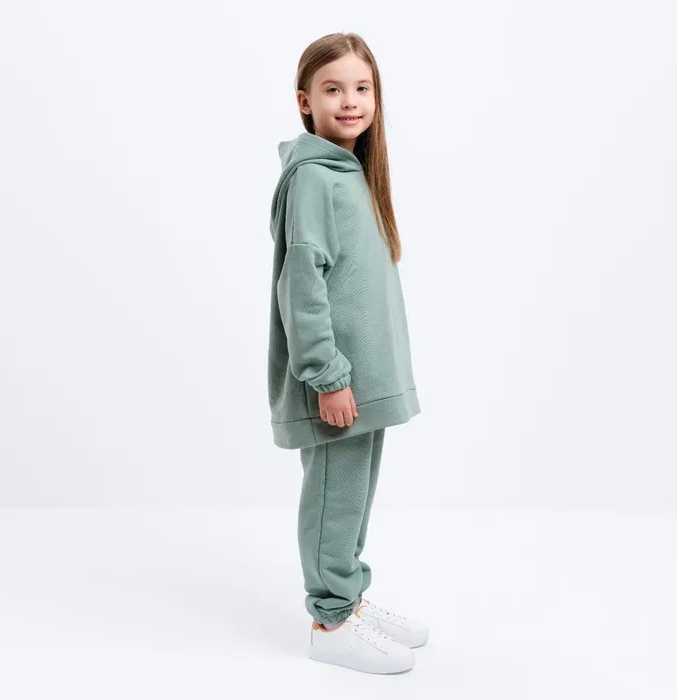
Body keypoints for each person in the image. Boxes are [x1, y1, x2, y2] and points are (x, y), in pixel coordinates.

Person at [267, 32, 429, 674]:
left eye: (362, 87)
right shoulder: (313, 177)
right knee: (335, 495)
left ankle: (349, 599)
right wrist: (327, 375)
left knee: (354, 493)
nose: (351, 100)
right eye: (333, 89)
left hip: (362, 378)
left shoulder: (351, 172)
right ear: (305, 101)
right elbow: (302, 285)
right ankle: (330, 622)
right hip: (337, 381)